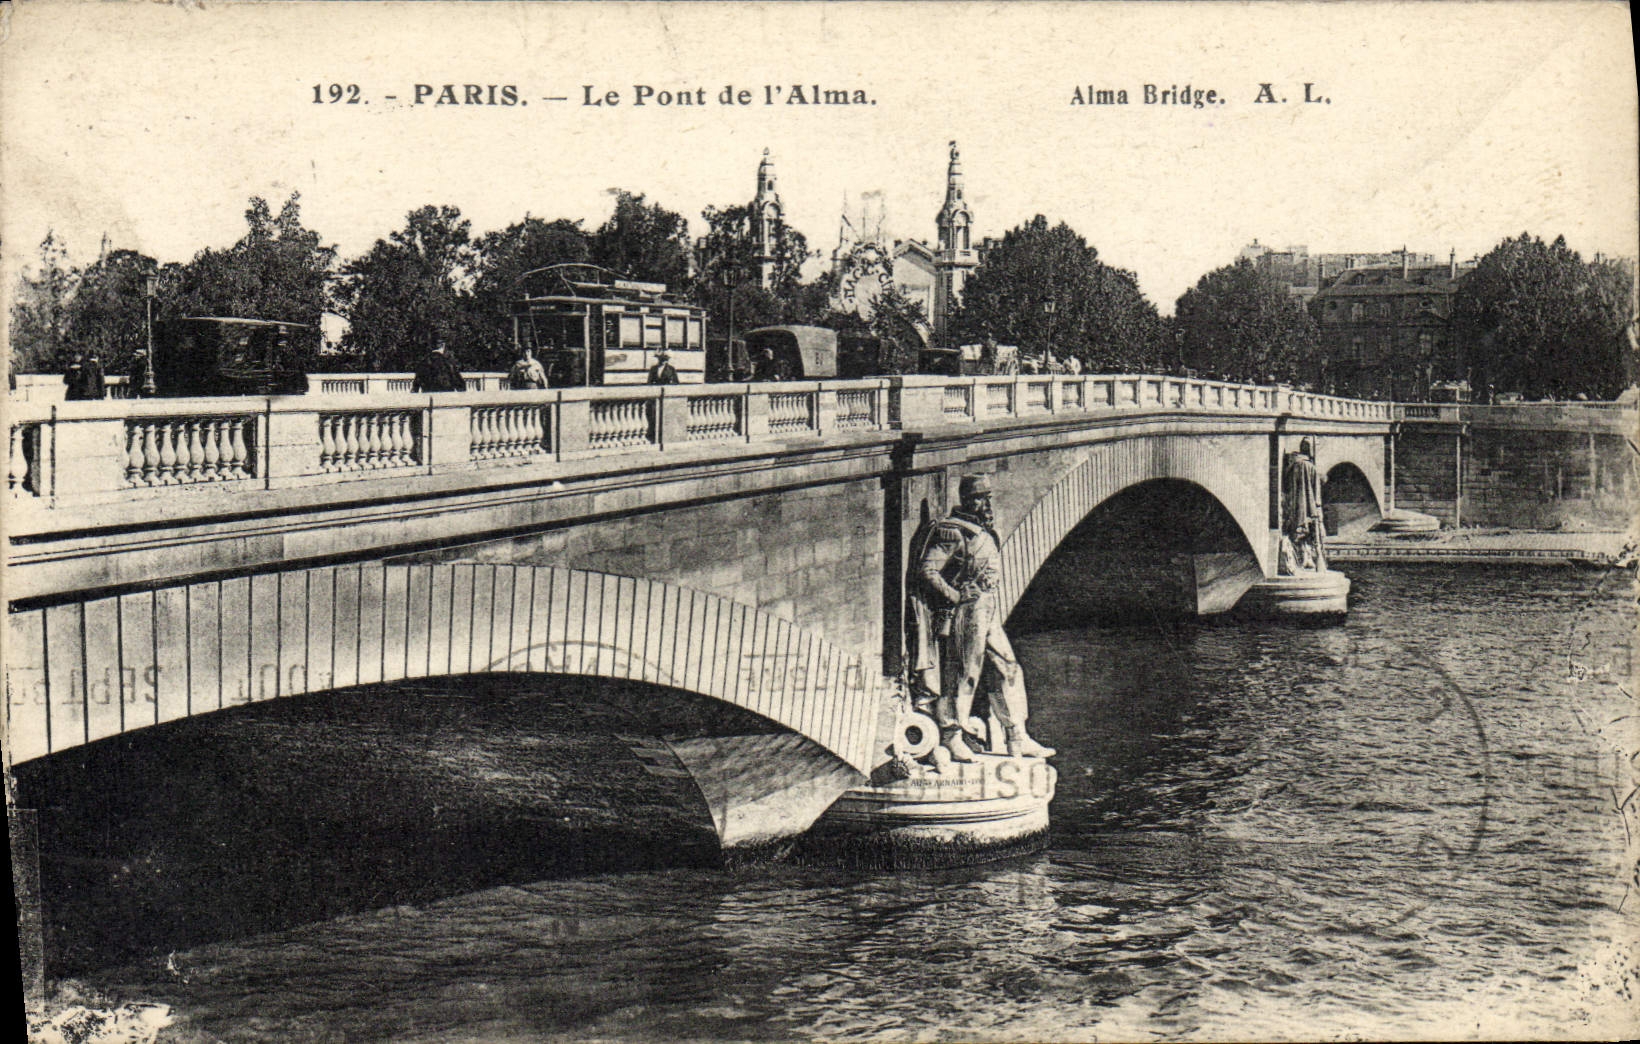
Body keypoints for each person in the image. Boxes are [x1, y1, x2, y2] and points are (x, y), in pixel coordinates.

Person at [908, 475, 1055, 763]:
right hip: (966, 612)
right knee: (963, 673)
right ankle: (951, 736)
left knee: (1008, 667)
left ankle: (1016, 736)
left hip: (988, 610)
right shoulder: (952, 532)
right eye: (978, 497)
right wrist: (954, 596)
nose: (985, 503)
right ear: (965, 500)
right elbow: (927, 571)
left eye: (988, 496)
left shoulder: (984, 531)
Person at [1281, 438, 1326, 573]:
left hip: (1293, 506)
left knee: (1298, 531)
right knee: (1313, 532)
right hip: (1309, 507)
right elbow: (1317, 493)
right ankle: (1309, 558)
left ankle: (1302, 558)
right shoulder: (1310, 467)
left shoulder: (1292, 463)